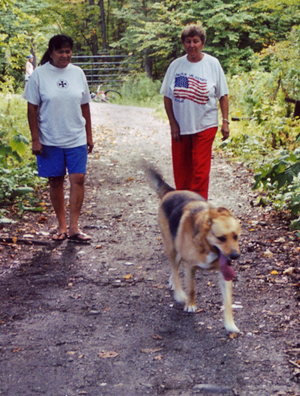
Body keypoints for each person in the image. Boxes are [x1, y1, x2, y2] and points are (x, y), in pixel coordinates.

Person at [23, 34, 94, 242]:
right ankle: (61, 226)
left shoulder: (78, 73)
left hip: (76, 136)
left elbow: (85, 105)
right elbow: (32, 108)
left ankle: (74, 227)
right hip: (49, 138)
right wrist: (35, 139)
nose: (65, 55)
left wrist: (89, 134)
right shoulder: (39, 75)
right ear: (51, 52)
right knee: (55, 180)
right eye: (60, 51)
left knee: (78, 178)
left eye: (68, 51)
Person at [160, 24, 230, 200]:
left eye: (195, 41)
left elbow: (223, 94)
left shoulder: (212, 64)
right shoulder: (176, 66)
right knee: (182, 170)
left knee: (200, 170)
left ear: (202, 44)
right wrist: (173, 123)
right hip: (181, 126)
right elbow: (167, 97)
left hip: (205, 124)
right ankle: (184, 206)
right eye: (188, 41)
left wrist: (225, 121)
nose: (192, 45)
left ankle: (199, 209)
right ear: (184, 44)